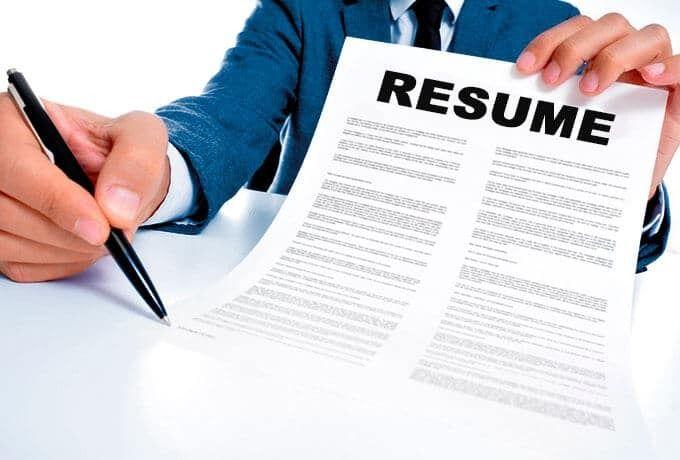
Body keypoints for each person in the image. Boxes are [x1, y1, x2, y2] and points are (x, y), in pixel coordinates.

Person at [0, 0, 676, 282]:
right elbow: (225, 117)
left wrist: (623, 184)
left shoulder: (553, 25)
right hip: (305, 286)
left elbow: (572, 232)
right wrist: (145, 172)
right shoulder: (304, 9)